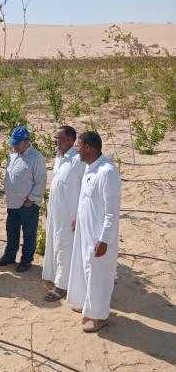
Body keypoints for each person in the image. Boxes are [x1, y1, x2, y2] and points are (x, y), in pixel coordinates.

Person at [67, 131, 121, 333]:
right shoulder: (90, 168)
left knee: (98, 275)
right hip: (85, 231)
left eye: (79, 146)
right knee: (85, 269)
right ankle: (87, 305)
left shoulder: (107, 172)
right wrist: (77, 219)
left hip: (99, 236)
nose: (77, 150)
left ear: (88, 148)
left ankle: (99, 317)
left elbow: (111, 211)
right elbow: (87, 200)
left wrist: (104, 240)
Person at [42, 126, 85, 301]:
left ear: (70, 140)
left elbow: (85, 189)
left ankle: (62, 287)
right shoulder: (59, 157)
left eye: (58, 138)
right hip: (56, 213)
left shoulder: (78, 160)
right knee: (55, 244)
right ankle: (55, 277)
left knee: (65, 248)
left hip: (70, 216)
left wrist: (79, 215)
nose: (55, 141)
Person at [0, 126, 47, 272]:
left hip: (28, 204)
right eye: (13, 143)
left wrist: (31, 199)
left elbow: (41, 181)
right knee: (11, 230)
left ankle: (26, 260)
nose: (14, 146)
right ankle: (9, 256)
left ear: (26, 141)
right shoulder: (13, 155)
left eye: (17, 143)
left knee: (29, 233)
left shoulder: (36, 158)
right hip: (12, 203)